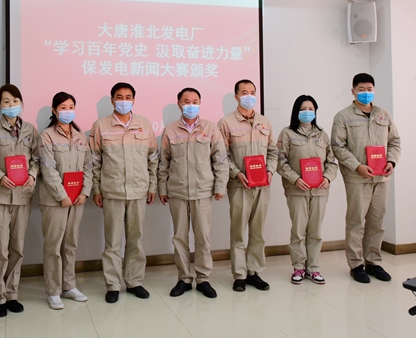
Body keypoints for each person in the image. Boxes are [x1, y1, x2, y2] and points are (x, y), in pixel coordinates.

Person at [90, 82, 158, 303]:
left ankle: (134, 281)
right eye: (119, 97)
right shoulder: (101, 126)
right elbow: (94, 161)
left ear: (134, 100)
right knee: (112, 242)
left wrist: (152, 186)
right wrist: (96, 189)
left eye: (128, 97)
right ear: (112, 100)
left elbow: (153, 159)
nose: (124, 101)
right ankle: (112, 284)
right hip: (112, 191)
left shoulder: (144, 124)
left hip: (138, 190)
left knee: (135, 240)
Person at [158, 88, 229, 299]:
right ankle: (184, 279)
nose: (191, 105)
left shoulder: (210, 128)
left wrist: (220, 186)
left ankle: (203, 279)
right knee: (179, 238)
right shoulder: (171, 130)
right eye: (186, 101)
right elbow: (164, 162)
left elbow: (220, 159)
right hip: (178, 191)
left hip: (203, 191)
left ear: (200, 103)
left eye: (195, 101)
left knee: (203, 238)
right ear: (179, 104)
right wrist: (162, 188)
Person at [331, 73, 401, 283]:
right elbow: (338, 146)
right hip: (357, 177)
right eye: (361, 89)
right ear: (353, 91)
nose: (365, 93)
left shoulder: (383, 115)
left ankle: (373, 262)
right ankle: (356, 264)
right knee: (356, 222)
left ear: (374, 90)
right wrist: (357, 166)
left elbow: (395, 141)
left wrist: (392, 161)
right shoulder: (343, 116)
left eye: (369, 89)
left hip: (381, 178)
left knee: (377, 222)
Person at [0, 84, 38, 317]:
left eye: (15, 101)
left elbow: (36, 159)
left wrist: (33, 174)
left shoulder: (30, 130)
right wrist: (0, 177)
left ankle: (12, 294)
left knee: (17, 248)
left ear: (21, 103)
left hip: (22, 196)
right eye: (6, 102)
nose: (11, 105)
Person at [218, 79, 277, 292]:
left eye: (252, 92)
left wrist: (270, 170)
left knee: (258, 231)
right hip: (239, 185)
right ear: (236, 97)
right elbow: (222, 155)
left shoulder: (264, 122)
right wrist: (237, 173)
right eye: (244, 92)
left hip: (263, 185)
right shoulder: (226, 123)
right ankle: (239, 275)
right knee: (238, 233)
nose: (249, 96)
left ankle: (254, 272)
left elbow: (273, 151)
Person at [37, 92, 93, 310]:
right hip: (55, 201)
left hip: (77, 200)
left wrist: (84, 193)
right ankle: (53, 291)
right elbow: (47, 169)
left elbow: (88, 166)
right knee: (53, 246)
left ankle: (69, 286)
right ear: (54, 110)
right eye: (63, 107)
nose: (67, 111)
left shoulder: (80, 136)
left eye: (71, 107)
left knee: (70, 244)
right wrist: (62, 196)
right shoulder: (47, 135)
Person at [276, 95, 337, 285]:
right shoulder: (287, 133)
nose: (307, 112)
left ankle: (314, 268)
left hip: (320, 190)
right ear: (296, 111)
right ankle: (298, 267)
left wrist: (328, 177)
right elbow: (280, 161)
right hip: (297, 190)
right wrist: (295, 179)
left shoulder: (322, 135)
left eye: (311, 109)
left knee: (315, 231)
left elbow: (331, 162)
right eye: (303, 109)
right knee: (298, 230)